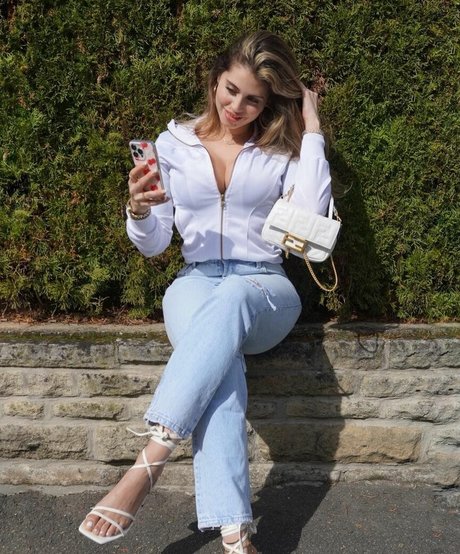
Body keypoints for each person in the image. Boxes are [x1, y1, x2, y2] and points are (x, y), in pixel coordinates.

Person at [79, 30, 331, 553]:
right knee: (221, 369)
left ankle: (151, 459)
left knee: (233, 297)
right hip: (194, 282)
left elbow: (308, 222)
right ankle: (236, 535)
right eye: (231, 90)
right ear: (215, 80)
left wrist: (311, 130)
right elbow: (154, 244)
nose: (237, 107)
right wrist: (139, 210)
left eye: (253, 100)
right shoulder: (173, 144)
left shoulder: (280, 149)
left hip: (263, 285)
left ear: (268, 103)